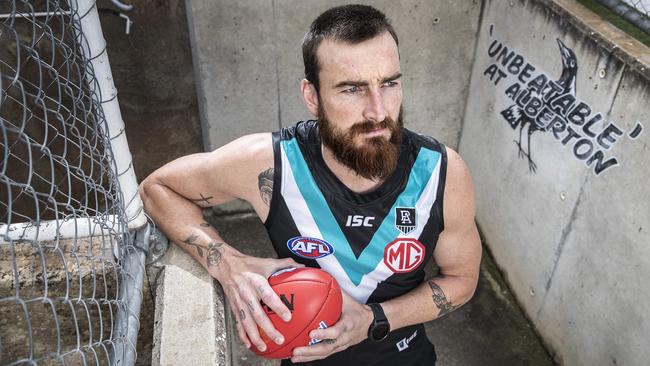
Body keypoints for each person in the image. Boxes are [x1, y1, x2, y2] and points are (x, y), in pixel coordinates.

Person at [140, 4, 481, 365]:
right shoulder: (271, 164)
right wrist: (228, 264)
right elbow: (157, 188)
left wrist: (372, 320)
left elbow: (462, 279)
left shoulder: (441, 173)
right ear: (312, 97)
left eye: (389, 83)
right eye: (352, 89)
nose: (378, 111)